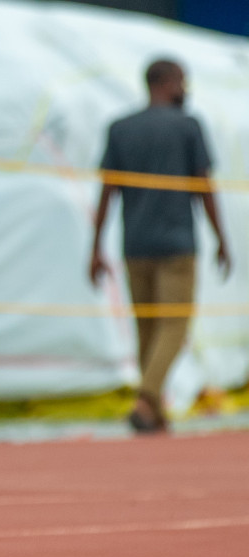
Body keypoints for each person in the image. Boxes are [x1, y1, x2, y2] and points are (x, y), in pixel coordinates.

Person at [90, 58, 231, 434]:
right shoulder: (188, 126)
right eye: (182, 81)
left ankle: (155, 412)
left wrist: (95, 246)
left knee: (147, 328)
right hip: (176, 242)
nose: (186, 89)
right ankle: (146, 398)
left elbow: (106, 192)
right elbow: (205, 187)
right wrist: (221, 238)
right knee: (173, 325)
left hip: (134, 243)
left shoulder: (120, 129)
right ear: (167, 83)